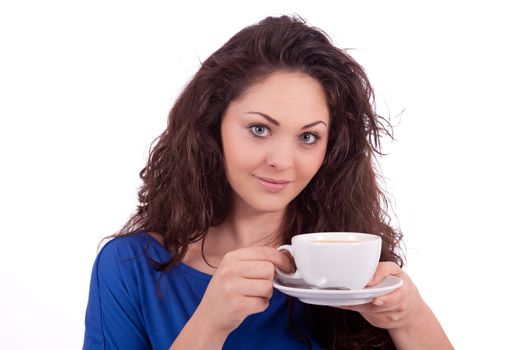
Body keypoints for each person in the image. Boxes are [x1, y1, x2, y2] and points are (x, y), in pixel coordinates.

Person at [83, 15, 453, 349]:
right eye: (259, 129)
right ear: (213, 127)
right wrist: (209, 326)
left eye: (308, 137)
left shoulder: (352, 269)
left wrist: (410, 317)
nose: (281, 161)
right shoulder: (129, 266)